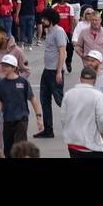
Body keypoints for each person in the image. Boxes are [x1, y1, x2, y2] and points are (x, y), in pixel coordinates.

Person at [0, 53, 41, 156]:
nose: (3, 68)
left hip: (21, 120)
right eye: (3, 65)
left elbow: (33, 99)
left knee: (20, 149)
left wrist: (39, 117)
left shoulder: (23, 82)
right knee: (8, 150)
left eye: (6, 65)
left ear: (14, 68)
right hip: (8, 120)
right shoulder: (0, 83)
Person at [60, 66, 103, 158]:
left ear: (80, 79)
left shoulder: (68, 94)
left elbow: (63, 118)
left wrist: (68, 134)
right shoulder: (98, 96)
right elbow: (102, 119)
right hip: (92, 144)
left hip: (73, 144)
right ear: (95, 81)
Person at [34, 8, 65, 138]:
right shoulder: (49, 31)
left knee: (60, 101)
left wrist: (59, 71)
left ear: (50, 19)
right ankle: (48, 130)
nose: (42, 21)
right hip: (47, 70)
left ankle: (79, 122)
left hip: (54, 71)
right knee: (44, 100)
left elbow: (62, 51)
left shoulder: (59, 31)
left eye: (45, 19)